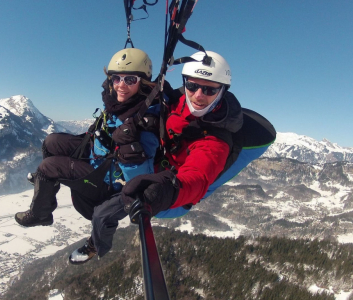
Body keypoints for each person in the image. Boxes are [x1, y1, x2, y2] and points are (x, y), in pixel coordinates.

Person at [73, 50, 246, 263]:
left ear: (222, 91)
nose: (198, 95)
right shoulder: (179, 102)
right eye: (192, 86)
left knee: (103, 213)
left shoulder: (216, 140)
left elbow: (197, 177)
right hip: (154, 164)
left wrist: (167, 190)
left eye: (209, 90)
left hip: (169, 193)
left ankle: (95, 247)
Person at [14, 48, 160, 262]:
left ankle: (41, 214)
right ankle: (46, 188)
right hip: (97, 155)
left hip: (109, 180)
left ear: (144, 83)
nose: (121, 84)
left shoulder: (146, 121)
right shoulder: (120, 102)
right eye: (116, 78)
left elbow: (141, 179)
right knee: (51, 142)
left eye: (130, 79)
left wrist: (130, 149)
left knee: (48, 167)